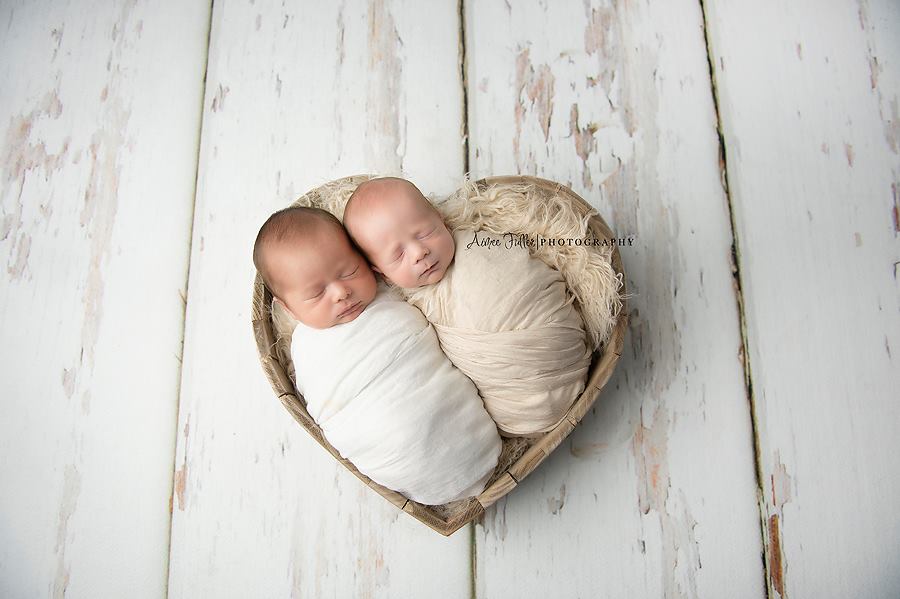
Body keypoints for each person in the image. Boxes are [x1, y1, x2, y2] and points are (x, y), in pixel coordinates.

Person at [253, 207, 501, 505]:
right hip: (385, 446)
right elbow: (325, 406)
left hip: (449, 414)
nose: (341, 293)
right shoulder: (305, 347)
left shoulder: (391, 290)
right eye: (317, 293)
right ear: (289, 308)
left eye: (349, 272)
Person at [344, 178, 592, 437]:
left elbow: (528, 271)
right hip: (515, 403)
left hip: (558, 343)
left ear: (441, 219)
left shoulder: (479, 243)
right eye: (398, 255)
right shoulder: (406, 310)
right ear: (382, 273)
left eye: (425, 233)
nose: (419, 252)